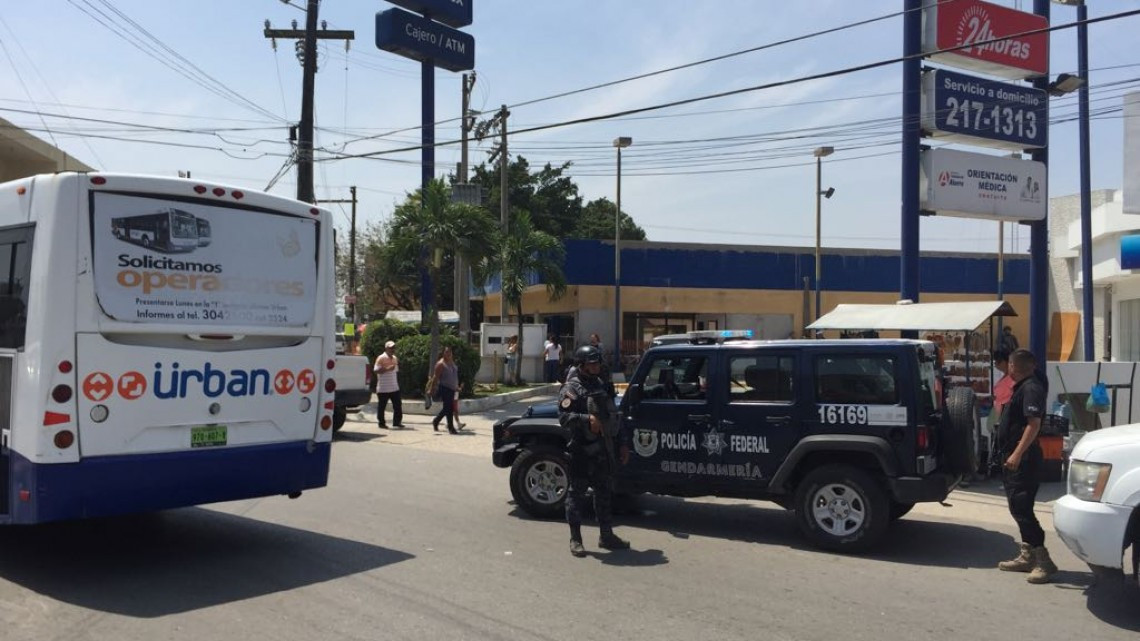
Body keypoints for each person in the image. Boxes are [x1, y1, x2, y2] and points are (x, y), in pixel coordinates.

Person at [560, 344, 630, 557]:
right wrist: (585, 419)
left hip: (603, 450)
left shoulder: (601, 385)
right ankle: (576, 539)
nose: (596, 366)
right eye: (592, 363)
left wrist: (623, 443)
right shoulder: (571, 389)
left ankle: (606, 536)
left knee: (603, 493)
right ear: (582, 365)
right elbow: (563, 418)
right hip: (582, 451)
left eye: (598, 362)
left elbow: (613, 416)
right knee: (576, 495)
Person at [995, 348, 1057, 584]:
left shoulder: (1031, 388)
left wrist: (1017, 454)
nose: (1008, 368)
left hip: (1024, 459)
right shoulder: (1023, 387)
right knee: (1016, 506)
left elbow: (1034, 424)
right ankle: (1027, 555)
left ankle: (1044, 561)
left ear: (1013, 366)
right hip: (1014, 457)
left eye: (1009, 365)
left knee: (1022, 507)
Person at [431, 346, 462, 434]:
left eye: (450, 352)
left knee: (448, 408)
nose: (449, 354)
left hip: (452, 389)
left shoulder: (451, 362)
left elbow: (454, 376)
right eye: (447, 352)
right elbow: (435, 378)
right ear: (443, 353)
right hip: (444, 388)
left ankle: (436, 421)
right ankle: (451, 428)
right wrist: (432, 389)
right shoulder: (440, 364)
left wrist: (457, 387)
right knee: (449, 408)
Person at [373, 340, 403, 429]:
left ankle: (397, 422)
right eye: (390, 348)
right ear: (386, 348)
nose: (392, 349)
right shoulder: (381, 358)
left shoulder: (394, 358)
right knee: (382, 407)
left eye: (393, 348)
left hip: (394, 387)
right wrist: (387, 369)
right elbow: (376, 370)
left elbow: (395, 371)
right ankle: (381, 423)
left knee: (398, 405)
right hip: (383, 388)